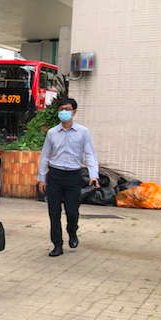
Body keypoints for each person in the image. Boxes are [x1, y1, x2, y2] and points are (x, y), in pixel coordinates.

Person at [37, 98, 100, 257]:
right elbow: (45, 156)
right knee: (54, 212)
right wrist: (41, 178)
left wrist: (94, 175)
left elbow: (90, 154)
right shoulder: (52, 133)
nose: (64, 112)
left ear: (74, 112)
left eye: (67, 109)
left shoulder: (83, 132)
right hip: (55, 175)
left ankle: (72, 231)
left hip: (73, 175)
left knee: (72, 211)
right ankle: (57, 245)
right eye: (61, 109)